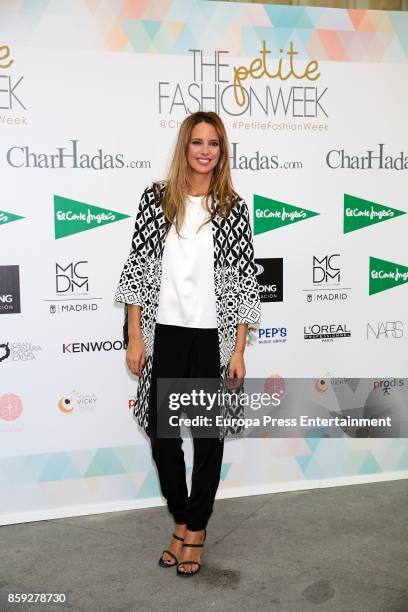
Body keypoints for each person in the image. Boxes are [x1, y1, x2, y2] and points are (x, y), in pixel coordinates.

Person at [115, 111, 261, 577]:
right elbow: (138, 270)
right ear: (184, 147)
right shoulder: (156, 199)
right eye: (197, 141)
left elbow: (242, 284)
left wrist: (238, 349)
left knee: (207, 440)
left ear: (222, 151)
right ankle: (181, 517)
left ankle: (194, 531)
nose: (205, 150)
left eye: (214, 143)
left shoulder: (233, 208)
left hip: (212, 341)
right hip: (165, 337)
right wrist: (135, 336)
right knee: (163, 441)